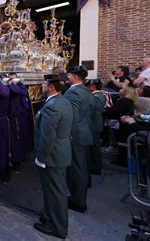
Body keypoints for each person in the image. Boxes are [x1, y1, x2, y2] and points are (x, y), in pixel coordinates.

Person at [33, 74, 73, 239]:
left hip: (52, 156)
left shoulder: (53, 106)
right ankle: (50, 217)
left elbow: (48, 137)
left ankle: (57, 227)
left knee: (55, 193)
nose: (42, 85)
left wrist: (42, 158)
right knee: (54, 191)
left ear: (51, 87)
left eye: (44, 83)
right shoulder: (62, 101)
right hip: (60, 152)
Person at [64, 66, 93, 213]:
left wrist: (65, 135)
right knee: (80, 168)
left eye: (69, 74)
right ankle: (78, 197)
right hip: (83, 132)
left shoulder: (74, 93)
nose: (67, 77)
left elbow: (72, 118)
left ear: (75, 77)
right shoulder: (84, 90)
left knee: (77, 169)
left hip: (76, 135)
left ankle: (79, 201)